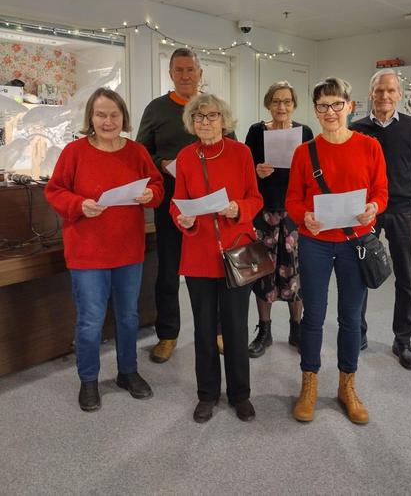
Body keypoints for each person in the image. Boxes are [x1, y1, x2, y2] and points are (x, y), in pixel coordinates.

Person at [45, 88, 164, 412]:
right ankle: (88, 380)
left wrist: (150, 195)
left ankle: (128, 372)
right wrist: (79, 204)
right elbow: (54, 191)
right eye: (101, 114)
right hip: (87, 252)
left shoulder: (137, 152)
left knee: (128, 316)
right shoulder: (74, 152)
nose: (108, 121)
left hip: (128, 250)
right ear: (91, 118)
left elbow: (157, 186)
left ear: (123, 117)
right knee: (90, 320)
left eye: (114, 114)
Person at [286, 77, 387, 424]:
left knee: (350, 316)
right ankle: (309, 383)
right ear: (315, 111)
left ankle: (347, 384)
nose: (330, 112)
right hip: (314, 242)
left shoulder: (370, 147)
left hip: (354, 244)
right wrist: (304, 216)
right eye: (323, 106)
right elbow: (292, 199)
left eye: (336, 104)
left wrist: (374, 207)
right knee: (313, 315)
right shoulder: (304, 152)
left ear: (350, 106)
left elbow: (381, 191)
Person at [170, 93, 262, 423]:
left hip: (236, 250)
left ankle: (240, 394)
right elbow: (177, 203)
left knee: (236, 327)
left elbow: (255, 198)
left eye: (211, 116)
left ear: (224, 120)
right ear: (191, 122)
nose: (205, 122)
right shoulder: (185, 156)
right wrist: (182, 219)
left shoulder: (241, 152)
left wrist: (239, 208)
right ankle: (207, 394)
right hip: (199, 253)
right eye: (198, 117)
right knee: (204, 328)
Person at [350, 69, 411, 370]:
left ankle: (403, 341)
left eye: (390, 90)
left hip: (402, 210)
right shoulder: (356, 129)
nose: (384, 95)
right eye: (379, 90)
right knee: (359, 273)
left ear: (399, 94)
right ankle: (357, 333)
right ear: (371, 93)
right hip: (366, 211)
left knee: (406, 278)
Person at [136, 48, 202, 363]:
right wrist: (161, 162)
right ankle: (167, 335)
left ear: (200, 74)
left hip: (208, 205)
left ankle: (216, 329)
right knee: (168, 272)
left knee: (212, 271)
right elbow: (140, 152)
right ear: (171, 74)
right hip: (170, 204)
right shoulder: (157, 109)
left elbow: (230, 148)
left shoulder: (211, 108)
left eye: (190, 69)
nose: (185, 75)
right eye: (179, 70)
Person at [244, 81, 313, 357]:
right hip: (264, 212)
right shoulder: (256, 131)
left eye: (287, 101)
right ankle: (265, 330)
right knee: (263, 272)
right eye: (276, 101)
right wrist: (256, 171)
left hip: (294, 213)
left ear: (294, 105)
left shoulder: (305, 132)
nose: (281, 106)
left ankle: (297, 328)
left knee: (296, 272)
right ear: (268, 104)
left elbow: (313, 173)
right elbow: (243, 172)